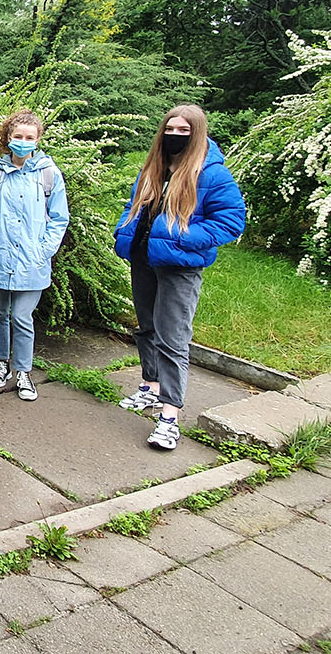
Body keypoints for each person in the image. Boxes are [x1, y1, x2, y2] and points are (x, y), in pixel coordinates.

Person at [114, 104, 246, 451]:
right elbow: (133, 206)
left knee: (172, 339)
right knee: (146, 327)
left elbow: (231, 221)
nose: (174, 135)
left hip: (179, 266)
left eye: (183, 131)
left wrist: (182, 236)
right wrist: (124, 229)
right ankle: (151, 386)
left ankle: (169, 416)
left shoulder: (211, 174)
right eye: (170, 129)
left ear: (197, 133)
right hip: (144, 258)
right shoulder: (154, 167)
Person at [0, 111, 70, 403]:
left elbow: (59, 218)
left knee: (22, 317)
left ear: (38, 140)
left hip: (31, 260)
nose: (23, 142)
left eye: (29, 137)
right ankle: (2, 362)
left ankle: (23, 371)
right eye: (18, 136)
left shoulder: (49, 174)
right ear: (8, 137)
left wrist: (44, 250)